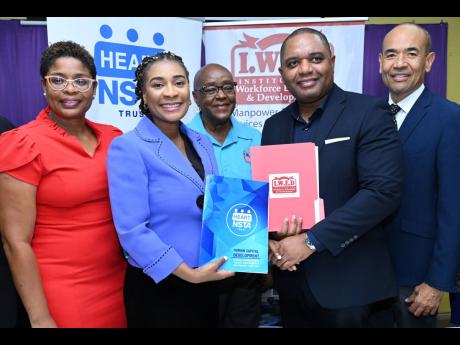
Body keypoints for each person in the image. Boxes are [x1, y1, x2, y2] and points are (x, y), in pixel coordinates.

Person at [262, 27, 403, 328]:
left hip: (352, 290)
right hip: (291, 286)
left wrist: (311, 241)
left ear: (332, 60)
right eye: (293, 63)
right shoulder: (273, 126)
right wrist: (269, 240)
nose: (305, 70)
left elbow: (382, 192)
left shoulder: (369, 111)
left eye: (315, 58)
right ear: (282, 72)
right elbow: (272, 197)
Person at [0, 41, 127, 328]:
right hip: (61, 287)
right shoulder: (22, 143)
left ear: (94, 88)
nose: (70, 90)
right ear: (44, 86)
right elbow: (15, 241)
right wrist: (40, 316)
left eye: (80, 81)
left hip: (118, 281)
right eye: (58, 80)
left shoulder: (114, 139)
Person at [106, 52, 234, 328]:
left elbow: (216, 204)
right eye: (158, 84)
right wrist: (189, 274)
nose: (171, 93)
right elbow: (132, 230)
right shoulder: (128, 147)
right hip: (160, 287)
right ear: (143, 94)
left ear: (190, 90)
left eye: (178, 82)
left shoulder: (202, 142)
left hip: (206, 281)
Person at [379, 23, 460, 328]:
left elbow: (454, 208)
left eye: (411, 53)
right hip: (363, 276)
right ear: (380, 63)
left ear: (428, 61)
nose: (399, 64)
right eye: (391, 54)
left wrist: (438, 282)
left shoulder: (450, 119)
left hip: (416, 280)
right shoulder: (366, 116)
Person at [189, 63, 262, 328]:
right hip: (197, 267)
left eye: (227, 87)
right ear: (195, 97)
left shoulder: (255, 138)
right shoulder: (181, 139)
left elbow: (268, 200)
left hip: (245, 268)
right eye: (210, 89)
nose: (221, 95)